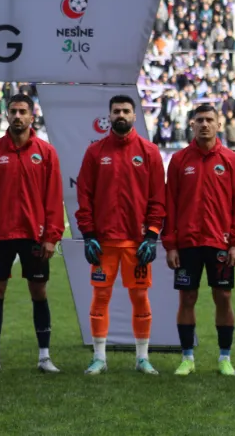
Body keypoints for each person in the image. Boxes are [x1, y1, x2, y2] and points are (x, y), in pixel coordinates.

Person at [0, 94, 65, 373]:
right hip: (0, 234)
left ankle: (44, 357)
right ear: (7, 115)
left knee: (39, 291)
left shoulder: (46, 152)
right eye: (13, 111)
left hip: (34, 236)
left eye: (23, 111)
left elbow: (53, 198)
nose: (17, 116)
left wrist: (52, 236)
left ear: (32, 117)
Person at [75, 95, 166, 375]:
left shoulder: (149, 152)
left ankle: (142, 358)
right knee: (100, 298)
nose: (121, 115)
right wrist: (89, 233)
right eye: (116, 111)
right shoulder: (95, 152)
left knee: (140, 298)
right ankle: (99, 357)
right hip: (103, 243)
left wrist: (151, 235)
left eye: (126, 110)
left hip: (136, 244)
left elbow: (158, 200)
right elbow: (84, 196)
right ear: (110, 115)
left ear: (135, 115)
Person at [165, 104, 235, 376]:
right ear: (192, 125)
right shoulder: (178, 160)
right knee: (186, 298)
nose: (204, 124)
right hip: (187, 243)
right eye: (199, 120)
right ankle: (187, 358)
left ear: (219, 124)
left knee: (223, 296)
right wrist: (171, 244)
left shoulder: (232, 160)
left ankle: (225, 358)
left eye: (210, 120)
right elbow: (171, 205)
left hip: (219, 242)